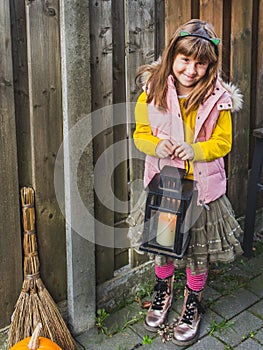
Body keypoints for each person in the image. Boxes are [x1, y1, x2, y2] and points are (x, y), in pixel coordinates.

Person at [133, 19, 244, 346]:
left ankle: (192, 302)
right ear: (172, 56)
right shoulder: (151, 92)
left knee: (197, 254)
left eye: (200, 62)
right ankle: (163, 291)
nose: (191, 69)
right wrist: (157, 145)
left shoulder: (217, 98)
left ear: (211, 65)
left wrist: (195, 149)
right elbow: (140, 136)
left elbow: (223, 143)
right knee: (163, 248)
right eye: (185, 60)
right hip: (166, 189)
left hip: (201, 193)